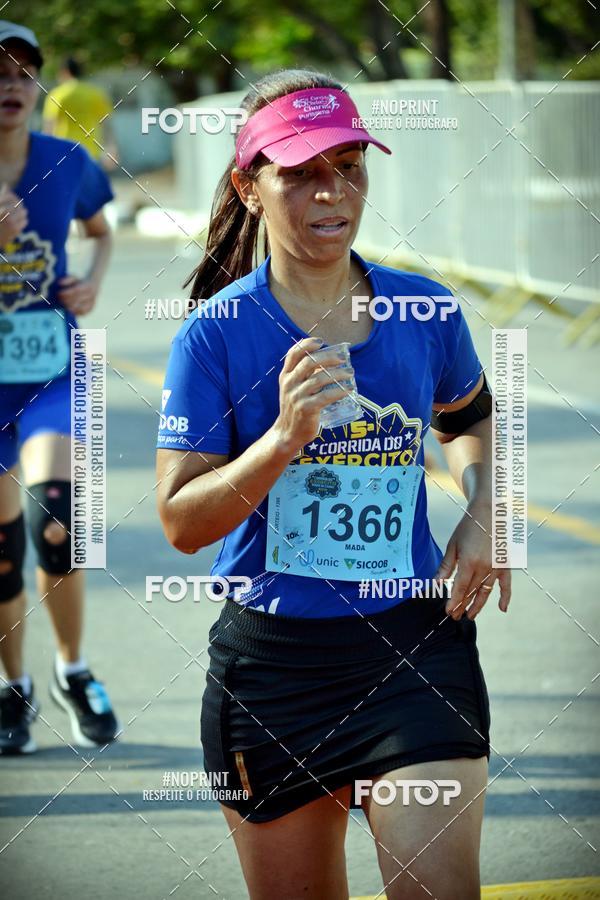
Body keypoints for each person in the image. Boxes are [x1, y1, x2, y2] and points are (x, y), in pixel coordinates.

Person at [156, 69, 511, 899]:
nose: (333, 191)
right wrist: (280, 442)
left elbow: (472, 421)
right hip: (274, 671)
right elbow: (180, 522)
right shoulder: (217, 336)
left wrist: (488, 513)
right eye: (303, 171)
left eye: (350, 165)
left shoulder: (425, 309)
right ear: (250, 186)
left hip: (415, 648)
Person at [0, 21, 119, 754]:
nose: (8, 85)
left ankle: (73, 669)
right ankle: (12, 688)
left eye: (21, 72)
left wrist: (89, 285)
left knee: (57, 519)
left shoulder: (68, 161)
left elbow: (102, 230)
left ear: (38, 86)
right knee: (1, 551)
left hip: (47, 368)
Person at [42, 56, 118, 170]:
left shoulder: (57, 95)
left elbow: (48, 129)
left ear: (65, 72)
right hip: (91, 153)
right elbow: (106, 124)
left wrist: (44, 155)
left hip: (64, 154)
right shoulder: (95, 94)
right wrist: (112, 149)